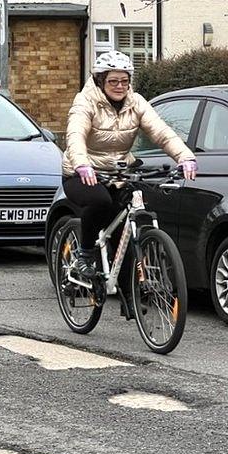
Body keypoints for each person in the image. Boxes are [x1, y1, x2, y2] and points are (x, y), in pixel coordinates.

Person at [62, 50, 197, 281]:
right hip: (82, 172)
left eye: (124, 81)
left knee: (128, 221)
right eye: (113, 81)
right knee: (100, 201)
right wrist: (82, 164)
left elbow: (161, 132)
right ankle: (85, 253)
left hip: (119, 172)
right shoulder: (86, 102)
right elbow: (75, 135)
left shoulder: (136, 103)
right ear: (100, 80)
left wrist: (185, 157)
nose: (119, 86)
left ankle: (129, 297)